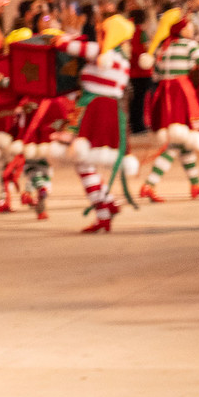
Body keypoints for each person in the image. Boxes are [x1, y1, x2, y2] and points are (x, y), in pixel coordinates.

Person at [56, 14, 136, 234]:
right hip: (111, 111)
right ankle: (107, 206)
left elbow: (62, 45)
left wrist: (64, 33)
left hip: (92, 109)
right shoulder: (123, 60)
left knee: (82, 162)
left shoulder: (98, 51)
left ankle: (104, 209)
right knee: (85, 161)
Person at [138, 8, 199, 201]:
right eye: (189, 25)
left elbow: (156, 74)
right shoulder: (189, 46)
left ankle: (195, 184)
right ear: (183, 29)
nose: (192, 28)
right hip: (181, 95)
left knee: (184, 143)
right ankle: (149, 184)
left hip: (165, 95)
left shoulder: (163, 48)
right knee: (176, 143)